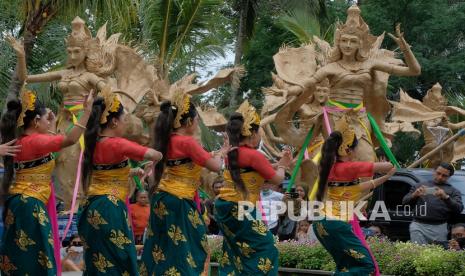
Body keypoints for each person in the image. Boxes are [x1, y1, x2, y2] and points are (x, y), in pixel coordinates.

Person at [0, 89, 93, 275]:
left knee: (22, 256)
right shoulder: (35, 142)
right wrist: (87, 111)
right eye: (45, 118)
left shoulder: (22, 141)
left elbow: (50, 139)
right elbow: (71, 138)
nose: (49, 121)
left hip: (21, 201)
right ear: (35, 121)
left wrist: (48, 121)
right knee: (38, 255)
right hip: (30, 204)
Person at [141, 90, 227, 276]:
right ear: (188, 122)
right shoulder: (187, 142)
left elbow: (156, 175)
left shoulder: (164, 141)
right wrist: (222, 153)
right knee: (189, 248)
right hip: (179, 201)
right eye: (197, 120)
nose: (197, 123)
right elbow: (215, 166)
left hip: (161, 199)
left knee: (162, 248)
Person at [78, 88, 163, 275]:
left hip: (91, 206)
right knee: (119, 259)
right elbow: (154, 153)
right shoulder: (117, 143)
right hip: (109, 208)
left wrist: (132, 172)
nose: (126, 124)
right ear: (114, 121)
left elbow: (106, 173)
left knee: (99, 261)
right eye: (125, 119)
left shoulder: (94, 142)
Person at [214, 100, 292, 275]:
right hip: (242, 207)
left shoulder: (233, 153)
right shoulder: (253, 155)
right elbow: (277, 180)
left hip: (225, 206)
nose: (261, 137)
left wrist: (277, 164)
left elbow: (254, 173)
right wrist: (283, 165)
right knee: (266, 248)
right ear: (253, 133)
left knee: (235, 251)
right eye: (260, 133)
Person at [312, 120, 395, 276]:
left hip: (321, 224)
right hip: (337, 225)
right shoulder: (349, 167)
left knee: (345, 266)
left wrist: (385, 178)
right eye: (357, 148)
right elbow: (386, 166)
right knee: (366, 267)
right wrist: (390, 165)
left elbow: (360, 187)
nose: (357, 152)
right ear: (347, 150)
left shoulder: (329, 167)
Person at [402, 162, 463, 245]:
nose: (440, 177)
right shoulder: (419, 186)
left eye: (444, 175)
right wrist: (414, 195)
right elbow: (404, 202)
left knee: (437, 256)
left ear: (449, 176)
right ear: (434, 171)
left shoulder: (453, 191)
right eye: (438, 173)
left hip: (440, 227)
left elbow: (459, 209)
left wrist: (446, 197)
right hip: (418, 226)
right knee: (418, 254)